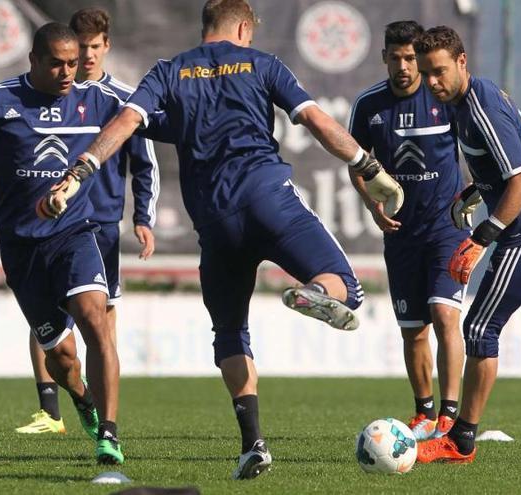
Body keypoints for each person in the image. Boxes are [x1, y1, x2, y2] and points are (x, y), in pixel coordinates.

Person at [37, 0, 403, 479]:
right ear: (245, 27)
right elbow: (314, 120)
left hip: (214, 221)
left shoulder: (170, 71)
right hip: (268, 199)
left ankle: (253, 444)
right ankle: (315, 293)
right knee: (346, 288)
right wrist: (366, 165)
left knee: (230, 334)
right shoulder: (262, 64)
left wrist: (79, 170)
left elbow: (126, 124)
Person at [0, 22, 138, 465]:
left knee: (95, 320)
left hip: (75, 234)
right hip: (22, 249)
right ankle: (82, 400)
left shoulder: (99, 100)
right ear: (35, 61)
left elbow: (152, 119)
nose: (68, 73)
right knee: (63, 361)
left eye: (74, 64)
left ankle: (110, 435)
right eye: (57, 64)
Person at [0, 7, 161, 436]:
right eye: (77, 50)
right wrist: (3, 181)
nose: (84, 58)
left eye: (92, 48)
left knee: (98, 317)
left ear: (105, 47)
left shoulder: (120, 101)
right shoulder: (46, 96)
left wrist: (143, 216)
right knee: (51, 327)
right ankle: (53, 409)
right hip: (41, 227)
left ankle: (106, 419)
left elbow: (145, 162)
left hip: (96, 224)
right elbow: (24, 152)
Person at [413, 26, 521, 464]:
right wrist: (475, 192)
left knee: (479, 329)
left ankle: (460, 440)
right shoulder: (470, 100)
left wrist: (479, 239)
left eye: (439, 71)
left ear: (462, 62)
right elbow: (518, 137)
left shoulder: (478, 103)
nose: (432, 82)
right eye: (426, 73)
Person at [348, 20, 466, 441]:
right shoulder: (369, 106)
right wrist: (373, 209)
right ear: (384, 57)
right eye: (395, 57)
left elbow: (477, 145)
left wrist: (472, 194)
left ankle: (451, 416)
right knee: (413, 327)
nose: (403, 65)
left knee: (444, 313)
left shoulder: (444, 98)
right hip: (400, 233)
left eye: (410, 57)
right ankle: (424, 413)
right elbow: (356, 165)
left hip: (447, 228)